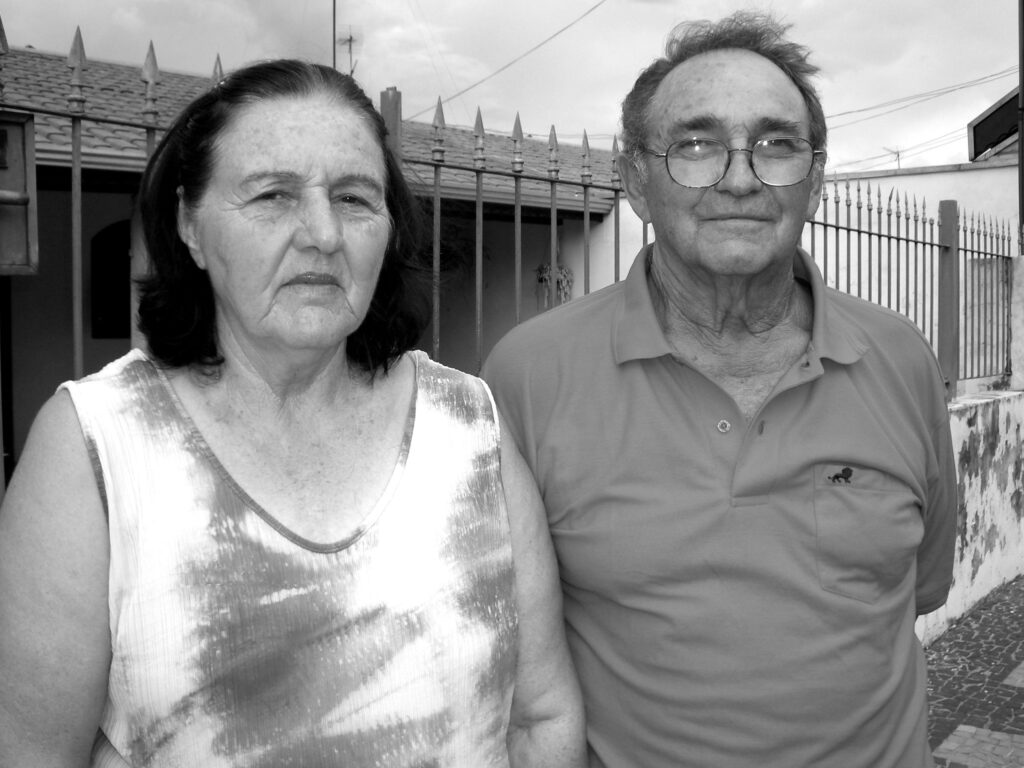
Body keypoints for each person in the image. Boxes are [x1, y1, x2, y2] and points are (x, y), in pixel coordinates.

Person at [0, 60, 584, 768]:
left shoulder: (469, 424)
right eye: (273, 195)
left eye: (354, 198)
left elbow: (540, 716)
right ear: (190, 226)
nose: (322, 233)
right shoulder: (93, 446)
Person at [482, 12, 956, 768]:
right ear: (636, 180)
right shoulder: (527, 376)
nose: (740, 178)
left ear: (817, 179)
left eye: (776, 145)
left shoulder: (900, 359)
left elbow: (919, 589)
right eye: (696, 145)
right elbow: (512, 655)